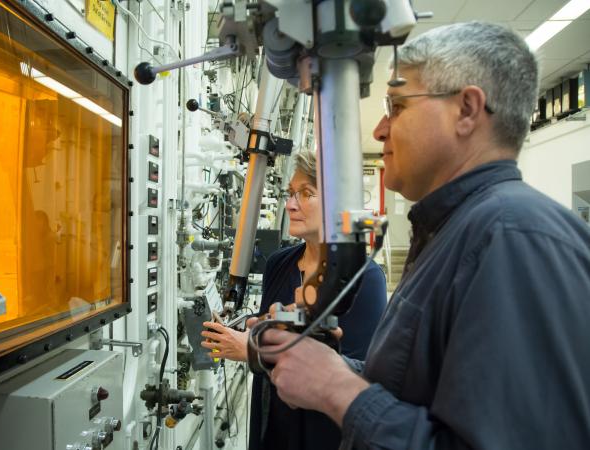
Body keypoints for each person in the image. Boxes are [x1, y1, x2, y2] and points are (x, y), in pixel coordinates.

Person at [261, 21, 590, 450]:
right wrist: (332, 367)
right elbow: (431, 395)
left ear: (467, 110)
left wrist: (336, 390)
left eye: (396, 106)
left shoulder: (512, 237)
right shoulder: (456, 233)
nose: (380, 130)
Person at [201, 148, 388, 450]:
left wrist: (253, 349)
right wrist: (249, 330)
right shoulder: (279, 264)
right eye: (290, 193)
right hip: (273, 427)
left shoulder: (364, 278)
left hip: (325, 433)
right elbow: (271, 331)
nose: (290, 204)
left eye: (306, 193)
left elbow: (361, 371)